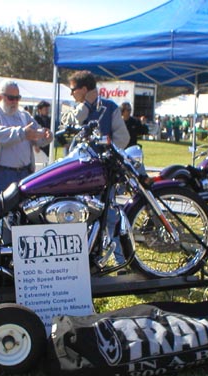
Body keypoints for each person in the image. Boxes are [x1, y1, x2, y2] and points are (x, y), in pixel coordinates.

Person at [67, 70, 130, 268]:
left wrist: (107, 153)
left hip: (103, 172)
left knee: (109, 216)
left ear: (84, 89)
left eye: (73, 89)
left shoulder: (109, 107)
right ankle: (82, 262)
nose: (71, 94)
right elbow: (70, 124)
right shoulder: (77, 109)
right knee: (77, 215)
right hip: (76, 171)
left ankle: (119, 262)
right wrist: (86, 105)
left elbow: (123, 137)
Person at [0, 80, 52, 198]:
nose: (15, 102)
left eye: (18, 98)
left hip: (24, 174)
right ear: (0, 97)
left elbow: (36, 135)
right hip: (1, 175)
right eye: (11, 98)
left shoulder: (23, 114)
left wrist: (45, 136)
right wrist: (23, 133)